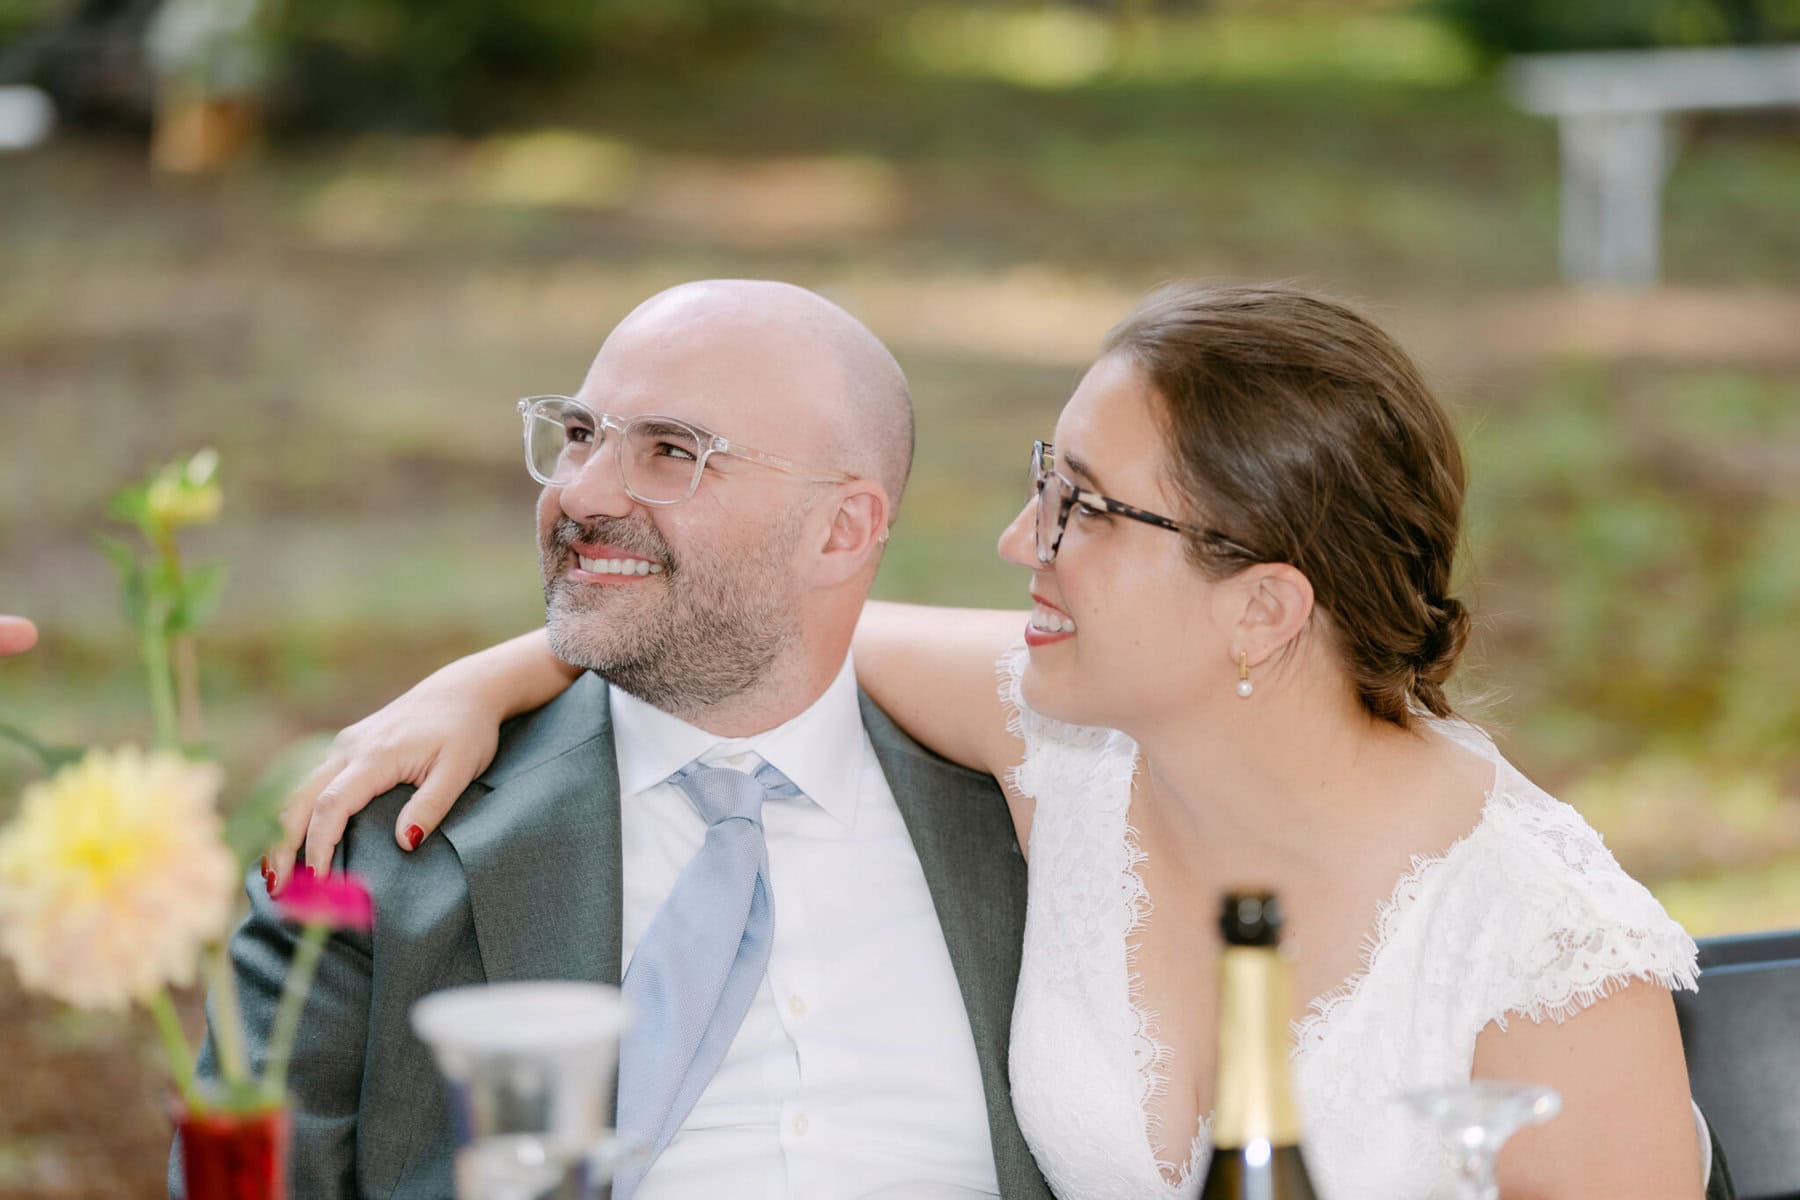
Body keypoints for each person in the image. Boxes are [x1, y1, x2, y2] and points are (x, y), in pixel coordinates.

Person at [274, 284, 1712, 1200]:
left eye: (1085, 507)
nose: (1024, 539)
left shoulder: (1540, 954)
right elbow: (778, 611)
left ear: (1263, 608)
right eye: (1042, 481)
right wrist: (482, 678)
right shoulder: (1069, 737)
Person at [179, 281, 1053, 1199]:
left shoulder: (1033, 816)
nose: (581, 492)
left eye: (672, 451)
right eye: (582, 435)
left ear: (841, 531)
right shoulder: (373, 839)